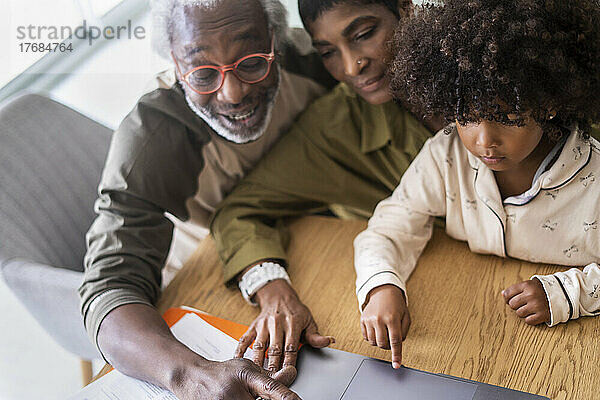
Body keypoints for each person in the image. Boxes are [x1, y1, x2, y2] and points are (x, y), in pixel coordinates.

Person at [79, 0, 336, 398]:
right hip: (204, 288)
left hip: (315, 252)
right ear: (175, 66)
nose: (233, 93)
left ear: (275, 41)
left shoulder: (316, 59)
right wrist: (191, 375)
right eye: (201, 73)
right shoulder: (154, 133)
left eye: (251, 62)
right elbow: (109, 289)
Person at [354, 0, 600, 371]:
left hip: (565, 356)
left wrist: (568, 294)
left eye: (506, 117)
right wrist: (381, 285)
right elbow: (389, 225)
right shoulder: (446, 154)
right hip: (468, 333)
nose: (484, 140)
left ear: (549, 102)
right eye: (467, 116)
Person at [211, 0, 441, 373]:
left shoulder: (492, 59)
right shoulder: (334, 127)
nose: (351, 66)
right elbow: (238, 212)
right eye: (329, 52)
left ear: (406, 8)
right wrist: (274, 293)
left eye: (364, 35)